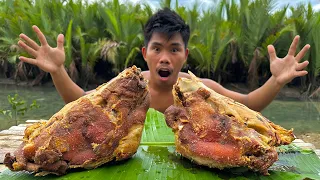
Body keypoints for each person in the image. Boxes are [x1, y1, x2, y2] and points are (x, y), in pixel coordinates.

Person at [17, 8, 310, 113]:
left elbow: (249, 105)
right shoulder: (128, 85)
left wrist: (276, 80)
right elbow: (80, 100)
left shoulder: (200, 87)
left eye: (174, 49)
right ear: (145, 54)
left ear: (186, 54)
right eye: (157, 49)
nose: (165, 57)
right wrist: (57, 70)